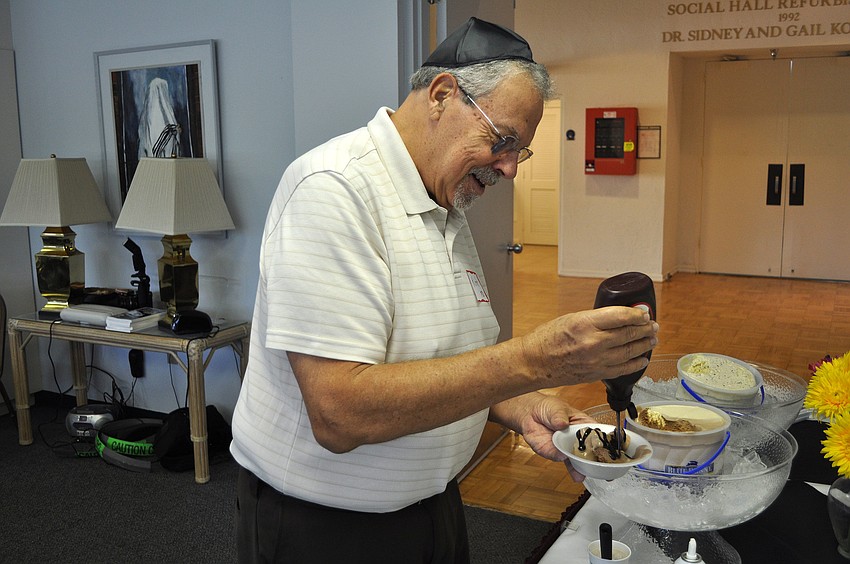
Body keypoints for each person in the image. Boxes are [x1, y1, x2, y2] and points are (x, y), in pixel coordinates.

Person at [230, 17, 658, 563]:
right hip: (329, 530)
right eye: (503, 141)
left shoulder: (444, 202)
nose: (510, 168)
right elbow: (340, 414)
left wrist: (523, 406)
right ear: (441, 95)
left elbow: (442, 364)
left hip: (431, 509)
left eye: (519, 151)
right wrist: (533, 361)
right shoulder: (333, 189)